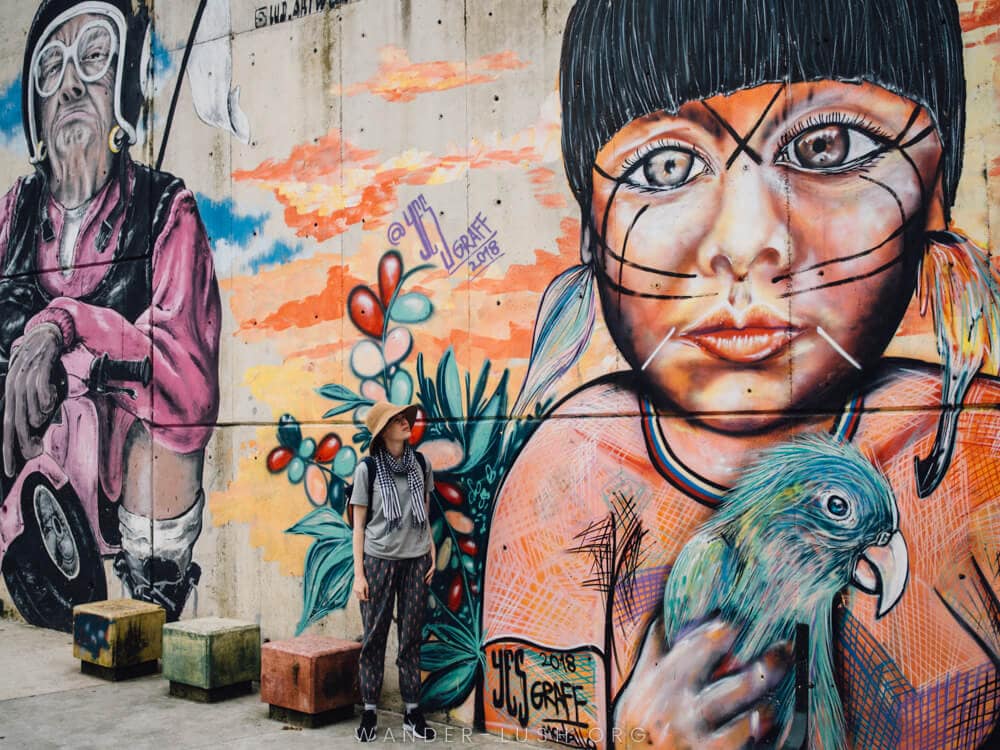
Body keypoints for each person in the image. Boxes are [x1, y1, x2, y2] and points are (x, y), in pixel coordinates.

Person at [482, 0, 1000, 748]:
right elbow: (524, 728)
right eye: (664, 166)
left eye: (828, 146)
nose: (748, 242)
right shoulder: (570, 480)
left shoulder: (970, 462)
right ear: (591, 228)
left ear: (935, 193)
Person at [0, 0, 220, 623]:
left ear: (122, 81)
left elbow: (189, 381)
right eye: (51, 69)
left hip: (132, 503)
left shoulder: (165, 210)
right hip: (32, 493)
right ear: (35, 108)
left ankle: (154, 589)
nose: (70, 83)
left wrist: (67, 322)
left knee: (163, 409)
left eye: (93, 56)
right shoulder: (14, 212)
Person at [351, 401, 437, 742]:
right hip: (379, 561)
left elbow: (426, 514)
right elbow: (358, 527)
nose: (405, 423)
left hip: (416, 560)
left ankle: (412, 711)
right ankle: (370, 712)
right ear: (383, 431)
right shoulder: (367, 469)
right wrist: (359, 574)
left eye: (405, 418)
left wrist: (430, 550)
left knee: (411, 638)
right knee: (374, 638)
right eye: (397, 420)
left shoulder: (420, 463)